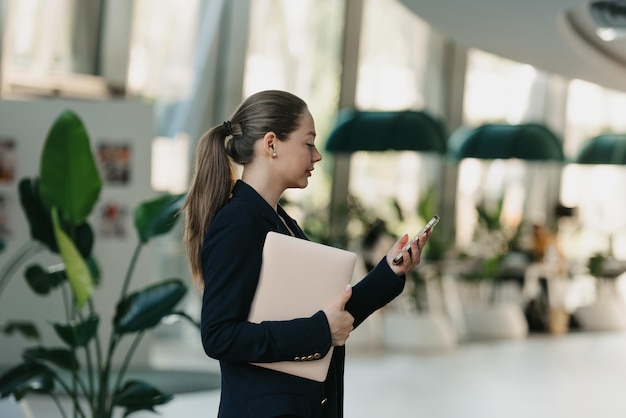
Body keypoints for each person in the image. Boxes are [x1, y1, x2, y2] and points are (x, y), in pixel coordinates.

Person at [182, 90, 431, 418]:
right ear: (271, 144)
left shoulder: (280, 221)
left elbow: (328, 315)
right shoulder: (238, 224)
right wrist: (319, 331)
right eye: (308, 142)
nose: (317, 156)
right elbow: (219, 336)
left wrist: (390, 271)